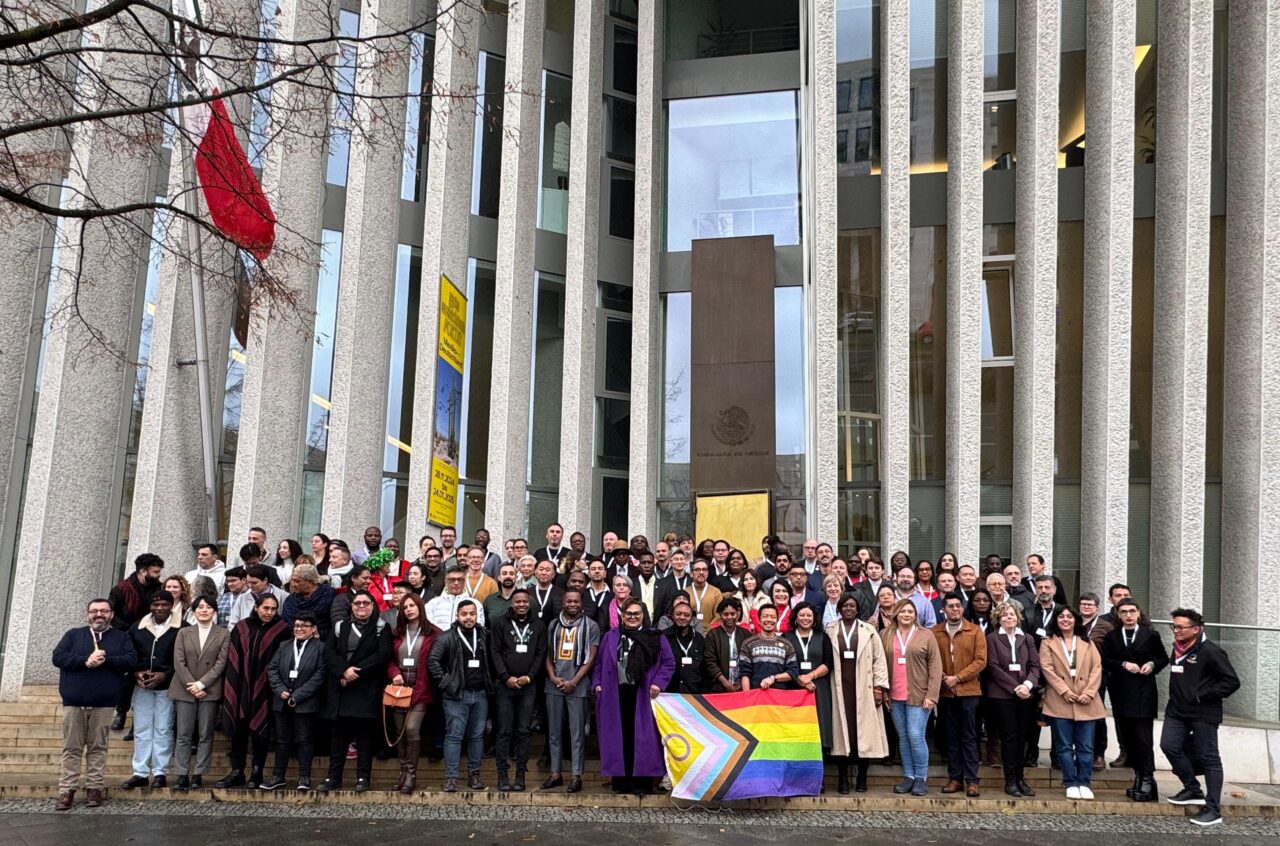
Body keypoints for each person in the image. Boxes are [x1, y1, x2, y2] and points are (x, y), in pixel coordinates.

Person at [53, 598, 138, 810]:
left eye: (104, 611)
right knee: (71, 748)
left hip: (104, 703)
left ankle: (94, 788)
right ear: (87, 614)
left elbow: (131, 660)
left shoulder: (121, 637)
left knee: (98, 747)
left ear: (111, 614)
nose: (99, 615)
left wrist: (105, 660)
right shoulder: (74, 635)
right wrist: (86, 661)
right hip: (74, 702)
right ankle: (67, 790)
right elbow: (58, 657)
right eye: (94, 611)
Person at [1160, 607, 1240, 826]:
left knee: (1209, 757)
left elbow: (1231, 682)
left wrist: (1201, 696)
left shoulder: (1211, 651)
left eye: (1179, 627)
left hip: (1203, 712)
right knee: (1169, 746)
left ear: (1196, 629)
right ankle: (1192, 788)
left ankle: (1213, 809)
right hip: (1176, 710)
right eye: (1173, 626)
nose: (1175, 630)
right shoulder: (1178, 649)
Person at [593, 598, 676, 795]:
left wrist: (658, 683)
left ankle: (642, 783)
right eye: (628, 614)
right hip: (615, 694)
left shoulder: (655, 637)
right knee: (619, 737)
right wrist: (597, 684)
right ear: (622, 616)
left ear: (643, 616)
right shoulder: (610, 637)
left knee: (643, 738)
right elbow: (598, 664)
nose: (632, 617)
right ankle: (621, 781)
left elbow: (668, 662)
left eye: (636, 614)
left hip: (643, 694)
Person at [319, 589, 394, 792]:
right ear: (351, 606)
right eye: (357, 603)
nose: (361, 607)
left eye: (366, 603)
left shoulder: (381, 627)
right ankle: (333, 777)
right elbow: (329, 652)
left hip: (366, 687)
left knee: (364, 736)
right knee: (338, 738)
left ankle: (363, 778)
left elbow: (382, 655)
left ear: (373, 605)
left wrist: (355, 672)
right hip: (341, 687)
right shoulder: (340, 627)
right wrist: (343, 671)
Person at [216, 592, 290, 789]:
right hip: (240, 683)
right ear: (256, 607)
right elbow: (233, 656)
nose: (269, 612)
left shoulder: (282, 629)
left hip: (267, 687)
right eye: (265, 608)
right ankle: (237, 771)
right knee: (238, 729)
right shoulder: (241, 627)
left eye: (273, 609)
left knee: (261, 730)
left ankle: (257, 771)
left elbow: (283, 658)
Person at [1099, 598, 1168, 803]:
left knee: (1144, 740)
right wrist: (1122, 664)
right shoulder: (1112, 636)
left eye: (1131, 611)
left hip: (1143, 693)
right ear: (1118, 615)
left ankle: (1148, 778)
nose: (1128, 615)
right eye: (1124, 612)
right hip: (1121, 693)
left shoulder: (1151, 635)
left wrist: (1152, 664)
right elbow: (1106, 660)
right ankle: (1139, 777)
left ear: (1138, 613)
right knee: (1129, 739)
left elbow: (1163, 657)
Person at [1039, 605, 1104, 799]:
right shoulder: (1048, 642)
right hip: (1060, 700)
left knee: (1085, 746)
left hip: (1086, 699)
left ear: (1075, 620)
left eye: (1069, 616)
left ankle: (1084, 781)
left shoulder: (1087, 642)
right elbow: (1047, 668)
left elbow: (1096, 668)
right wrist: (1064, 690)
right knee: (1064, 746)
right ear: (1056, 621)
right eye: (1061, 617)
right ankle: (1070, 781)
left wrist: (1090, 692)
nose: (1065, 619)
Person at [428, 597, 492, 792]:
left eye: (472, 614)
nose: (468, 618)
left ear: (477, 615)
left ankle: (475, 775)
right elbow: (433, 661)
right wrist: (447, 683)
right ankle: (451, 777)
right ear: (457, 616)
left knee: (476, 736)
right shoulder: (446, 637)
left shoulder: (484, 635)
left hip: (481, 693)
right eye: (464, 614)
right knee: (454, 736)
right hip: (456, 695)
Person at [826, 593, 888, 794]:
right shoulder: (830, 629)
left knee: (864, 734)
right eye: (844, 606)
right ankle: (843, 779)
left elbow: (879, 660)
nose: (848, 609)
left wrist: (879, 688)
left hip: (864, 687)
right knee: (841, 735)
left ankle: (862, 777)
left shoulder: (869, 630)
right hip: (839, 688)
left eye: (852, 606)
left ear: (858, 609)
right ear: (839, 608)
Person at [168, 596, 230, 790]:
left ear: (214, 611)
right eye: (200, 607)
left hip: (209, 690)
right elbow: (178, 661)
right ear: (193, 611)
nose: (204, 610)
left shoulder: (223, 634)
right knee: (184, 734)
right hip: (184, 688)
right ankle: (181, 773)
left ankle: (198, 773)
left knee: (205, 733)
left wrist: (202, 684)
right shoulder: (184, 633)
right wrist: (192, 684)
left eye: (209, 607)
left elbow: (221, 662)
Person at [122, 592, 182, 790]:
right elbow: (128, 653)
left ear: (171, 606)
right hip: (142, 686)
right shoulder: (137, 628)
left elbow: (183, 659)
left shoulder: (181, 628)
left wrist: (166, 674)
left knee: (163, 728)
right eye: (156, 604)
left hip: (167, 686)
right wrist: (136, 671)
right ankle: (140, 771)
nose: (160, 608)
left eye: (164, 604)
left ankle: (160, 771)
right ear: (150, 606)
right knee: (141, 729)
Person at [881, 598, 941, 796]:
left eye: (910, 612)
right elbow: (880, 664)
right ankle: (909, 776)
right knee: (904, 737)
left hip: (919, 694)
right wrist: (883, 691)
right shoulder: (886, 634)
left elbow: (935, 666)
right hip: (895, 694)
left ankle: (921, 778)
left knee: (916, 735)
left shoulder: (926, 635)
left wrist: (932, 695)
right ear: (896, 613)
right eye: (903, 611)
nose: (907, 615)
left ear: (916, 615)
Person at [542, 588, 600, 793]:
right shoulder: (553, 625)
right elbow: (547, 654)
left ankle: (576, 775)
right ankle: (555, 774)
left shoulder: (591, 626)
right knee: (554, 733)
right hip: (554, 684)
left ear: (581, 603)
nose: (573, 604)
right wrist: (551, 676)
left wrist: (574, 681)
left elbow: (592, 657)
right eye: (569, 601)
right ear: (563, 603)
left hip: (578, 685)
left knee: (577, 734)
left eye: (576, 601)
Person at [489, 588, 546, 791]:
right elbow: (494, 651)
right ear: (511, 603)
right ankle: (502, 775)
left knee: (523, 731)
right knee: (504, 731)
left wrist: (529, 677)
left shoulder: (539, 625)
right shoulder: (499, 623)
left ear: (529, 603)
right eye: (517, 601)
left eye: (524, 601)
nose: (521, 605)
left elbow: (541, 653)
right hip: (505, 685)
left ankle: (520, 774)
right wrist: (506, 677)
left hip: (528, 686)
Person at [262, 612, 326, 790]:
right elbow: (272, 669)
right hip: (281, 700)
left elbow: (319, 675)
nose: (299, 629)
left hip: (305, 702)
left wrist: (298, 695)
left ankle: (304, 777)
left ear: (313, 629)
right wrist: (279, 689)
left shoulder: (320, 647)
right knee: (282, 740)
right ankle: (278, 776)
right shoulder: (284, 645)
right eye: (297, 625)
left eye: (304, 626)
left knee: (304, 739)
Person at [932, 592, 988, 797]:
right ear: (943, 609)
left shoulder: (974, 631)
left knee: (969, 737)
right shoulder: (935, 632)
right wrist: (945, 677)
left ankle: (972, 780)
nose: (955, 609)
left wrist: (958, 677)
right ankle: (955, 778)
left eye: (958, 606)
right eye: (950, 606)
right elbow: (932, 659)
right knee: (952, 738)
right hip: (946, 692)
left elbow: (980, 660)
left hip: (969, 691)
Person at [984, 601, 1041, 797]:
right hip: (1002, 695)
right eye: (1005, 615)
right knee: (1009, 737)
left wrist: (1027, 685)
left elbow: (1035, 665)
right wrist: (1014, 687)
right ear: (998, 619)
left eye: (1012, 614)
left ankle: (1020, 778)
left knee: (1023, 737)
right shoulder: (991, 639)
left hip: (1025, 694)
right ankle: (1010, 780)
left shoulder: (1027, 638)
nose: (1009, 617)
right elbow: (992, 667)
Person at [387, 592, 438, 794]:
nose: (409, 609)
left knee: (411, 729)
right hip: (398, 687)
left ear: (420, 607)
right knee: (399, 733)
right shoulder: (396, 632)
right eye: (405, 607)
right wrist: (394, 673)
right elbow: (388, 659)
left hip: (422, 687)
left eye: (412, 605)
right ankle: (403, 771)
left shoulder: (433, 633)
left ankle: (411, 774)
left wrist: (420, 688)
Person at [108, 554, 164, 731]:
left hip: (151, 637)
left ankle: (137, 719)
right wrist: (131, 628)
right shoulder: (121, 590)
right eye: (155, 571)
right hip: (127, 637)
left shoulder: (158, 589)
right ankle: (121, 711)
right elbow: (112, 615)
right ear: (142, 571)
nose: (158, 575)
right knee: (126, 677)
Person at [785, 603, 832, 753]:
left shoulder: (823, 637)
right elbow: (783, 662)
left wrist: (811, 676)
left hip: (818, 687)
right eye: (802, 615)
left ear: (814, 618)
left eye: (809, 615)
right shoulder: (787, 637)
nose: (805, 618)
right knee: (797, 727)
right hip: (794, 687)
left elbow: (828, 662)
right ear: (796, 618)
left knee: (820, 724)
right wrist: (799, 678)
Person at [1079, 591, 1115, 770]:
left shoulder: (1105, 626)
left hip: (1097, 676)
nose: (1086, 607)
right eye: (1083, 604)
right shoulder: (1073, 622)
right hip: (1074, 677)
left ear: (1097, 607)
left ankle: (1099, 754)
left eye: (1090, 604)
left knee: (1097, 715)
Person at [739, 604, 799, 690]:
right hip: (756, 696)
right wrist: (747, 696)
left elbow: (793, 672)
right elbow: (744, 673)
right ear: (759, 620)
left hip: (779, 697)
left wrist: (773, 678)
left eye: (772, 617)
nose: (769, 619)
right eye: (765, 616)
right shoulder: (748, 643)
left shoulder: (787, 644)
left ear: (777, 620)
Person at [281, 563, 336, 641]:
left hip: (324, 639)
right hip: (296, 639)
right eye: (292, 581)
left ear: (310, 582)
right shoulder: (291, 600)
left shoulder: (328, 594)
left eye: (297, 581)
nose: (293, 584)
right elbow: (287, 622)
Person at [663, 597, 704, 694]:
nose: (682, 617)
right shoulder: (663, 637)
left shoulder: (699, 639)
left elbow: (704, 669)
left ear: (692, 618)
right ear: (672, 615)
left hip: (694, 694)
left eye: (686, 615)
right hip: (668, 694)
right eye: (678, 614)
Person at [428, 565, 488, 631]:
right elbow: (428, 628)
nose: (456, 583)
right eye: (452, 580)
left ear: (464, 581)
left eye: (460, 579)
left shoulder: (475, 604)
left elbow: (479, 628)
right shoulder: (433, 604)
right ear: (445, 581)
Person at [685, 559, 723, 633]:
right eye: (697, 570)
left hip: (711, 634)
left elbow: (718, 615)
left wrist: (707, 632)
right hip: (689, 633)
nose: (701, 572)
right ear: (691, 573)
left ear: (708, 573)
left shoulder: (716, 592)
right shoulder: (685, 593)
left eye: (704, 569)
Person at [184, 543, 227, 608]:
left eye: (204, 555)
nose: (199, 557)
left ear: (214, 557)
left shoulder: (224, 575)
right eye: (199, 554)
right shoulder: (189, 575)